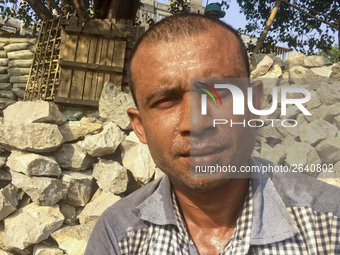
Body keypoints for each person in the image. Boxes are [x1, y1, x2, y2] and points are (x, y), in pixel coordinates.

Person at [85, 13, 340, 254]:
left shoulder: (330, 223)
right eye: (166, 100)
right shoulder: (117, 236)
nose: (195, 122)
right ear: (139, 126)